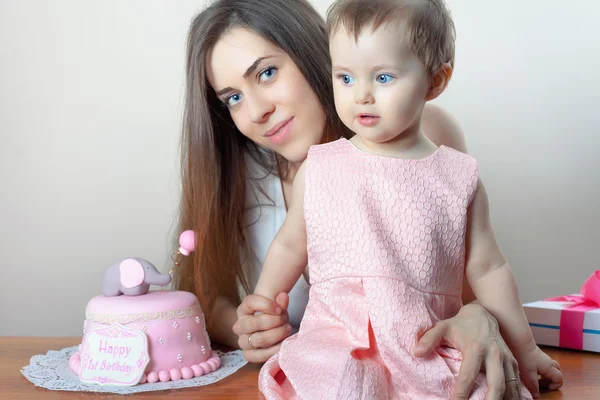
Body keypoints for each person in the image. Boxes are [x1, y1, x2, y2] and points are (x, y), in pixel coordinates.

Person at [172, 0, 559, 398]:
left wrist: (489, 322)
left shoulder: (431, 146)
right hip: (340, 366)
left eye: (267, 73)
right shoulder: (247, 172)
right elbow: (207, 294)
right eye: (232, 97)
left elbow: (471, 274)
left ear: (316, 56)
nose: (256, 111)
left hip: (419, 351)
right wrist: (247, 324)